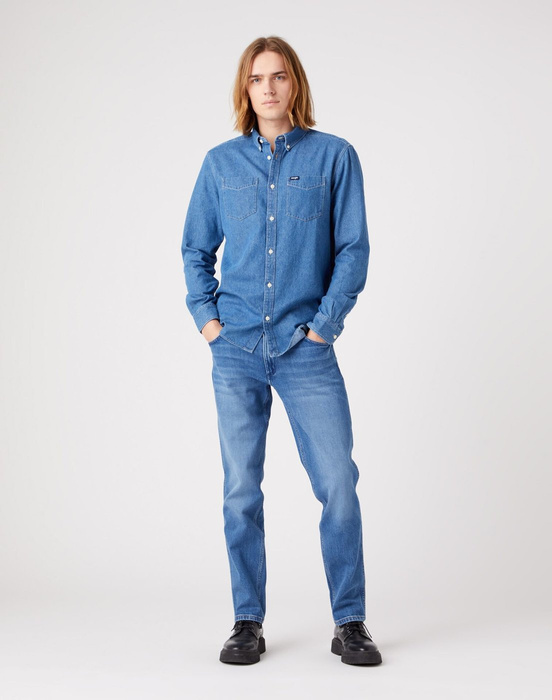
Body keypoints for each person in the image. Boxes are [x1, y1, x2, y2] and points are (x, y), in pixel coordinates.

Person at [181, 35, 382, 666]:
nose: (267, 88)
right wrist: (209, 323)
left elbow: (352, 249)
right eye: (256, 78)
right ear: (245, 89)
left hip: (305, 348)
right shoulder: (220, 164)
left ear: (295, 84)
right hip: (236, 347)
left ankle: (350, 621)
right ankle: (247, 621)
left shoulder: (334, 157)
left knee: (338, 483)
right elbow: (195, 249)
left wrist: (324, 326)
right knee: (241, 489)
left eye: (279, 76)